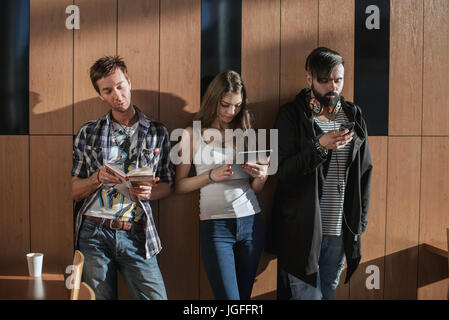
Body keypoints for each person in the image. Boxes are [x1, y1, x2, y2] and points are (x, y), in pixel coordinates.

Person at [271, 47, 373, 300]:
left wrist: (359, 224)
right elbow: (283, 171)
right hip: (304, 231)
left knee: (327, 294)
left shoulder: (352, 114)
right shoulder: (292, 115)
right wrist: (320, 146)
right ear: (310, 79)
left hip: (340, 230)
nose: (332, 87)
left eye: (338, 80)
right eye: (324, 81)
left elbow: (365, 172)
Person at [71, 56, 174, 300]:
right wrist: (97, 178)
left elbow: (168, 186)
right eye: (108, 90)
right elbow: (73, 191)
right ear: (100, 95)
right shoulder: (88, 132)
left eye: (120, 86)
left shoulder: (157, 132)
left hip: (138, 233)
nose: (117, 94)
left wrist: (149, 192)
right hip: (94, 232)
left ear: (129, 82)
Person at [175, 70, 268, 300]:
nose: (231, 112)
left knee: (244, 299)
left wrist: (262, 175)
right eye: (225, 105)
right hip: (216, 227)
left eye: (237, 106)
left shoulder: (245, 131)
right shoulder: (192, 133)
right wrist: (210, 177)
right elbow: (179, 186)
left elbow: (255, 188)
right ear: (214, 99)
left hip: (251, 221)